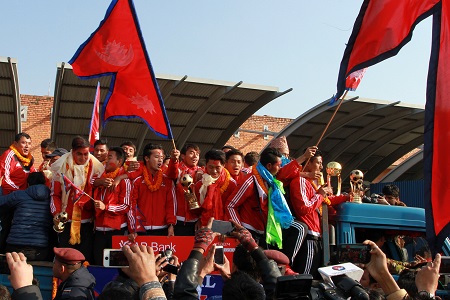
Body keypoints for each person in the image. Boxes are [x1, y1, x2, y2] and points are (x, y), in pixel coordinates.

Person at [226, 147, 308, 266]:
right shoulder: (251, 180)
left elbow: (287, 171)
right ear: (269, 166)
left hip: (265, 230)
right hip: (250, 232)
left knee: (299, 228)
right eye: (279, 165)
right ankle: (285, 265)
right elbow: (231, 205)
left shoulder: (271, 180)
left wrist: (304, 158)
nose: (280, 168)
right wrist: (239, 228)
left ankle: (284, 265)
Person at [288, 150, 349, 277]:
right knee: (305, 278)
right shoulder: (300, 181)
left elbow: (325, 201)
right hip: (309, 236)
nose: (321, 167)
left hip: (316, 237)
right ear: (308, 164)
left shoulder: (310, 183)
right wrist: (320, 194)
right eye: (318, 163)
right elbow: (304, 208)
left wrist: (347, 197)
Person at [50, 136, 104, 262]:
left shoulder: (96, 167)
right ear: (72, 152)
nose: (83, 158)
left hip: (86, 223)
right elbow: (55, 194)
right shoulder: (61, 167)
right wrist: (57, 213)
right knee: (65, 259)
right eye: (79, 154)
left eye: (86, 154)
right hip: (66, 221)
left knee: (84, 260)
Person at [0, 172, 52, 261]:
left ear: (28, 183)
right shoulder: (51, 198)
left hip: (15, 247)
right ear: (44, 183)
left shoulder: (19, 195)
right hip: (39, 249)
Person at [92, 147, 131, 265]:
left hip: (116, 231)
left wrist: (106, 207)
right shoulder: (100, 176)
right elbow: (89, 182)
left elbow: (125, 206)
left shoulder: (124, 181)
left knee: (115, 267)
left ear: (119, 162)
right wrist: (99, 182)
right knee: (98, 264)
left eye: (110, 157)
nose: (106, 160)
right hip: (99, 229)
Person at [128, 143, 176, 237]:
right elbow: (132, 206)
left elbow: (171, 205)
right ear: (147, 158)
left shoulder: (168, 182)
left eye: (162, 158)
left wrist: (171, 225)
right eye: (157, 157)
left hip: (162, 230)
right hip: (140, 231)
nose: (160, 160)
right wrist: (133, 228)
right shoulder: (137, 180)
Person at [0, 132, 36, 253]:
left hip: (22, 201)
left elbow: (33, 176)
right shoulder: (9, 155)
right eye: (23, 143)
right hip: (9, 198)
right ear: (15, 144)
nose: (27, 146)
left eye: (29, 143)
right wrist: (20, 192)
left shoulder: (30, 159)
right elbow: (5, 179)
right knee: (5, 227)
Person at [166, 143, 204, 235]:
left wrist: (200, 218)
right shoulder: (178, 170)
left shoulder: (202, 173)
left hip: (196, 220)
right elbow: (171, 173)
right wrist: (174, 160)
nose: (195, 156)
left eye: (197, 154)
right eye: (191, 153)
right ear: (182, 156)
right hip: (179, 220)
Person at [194, 149, 237, 226]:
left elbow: (233, 209)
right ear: (206, 165)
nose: (214, 171)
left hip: (225, 226)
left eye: (217, 167)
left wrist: (227, 229)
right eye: (210, 167)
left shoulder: (232, 184)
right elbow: (197, 210)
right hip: (205, 226)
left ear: (224, 165)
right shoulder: (200, 184)